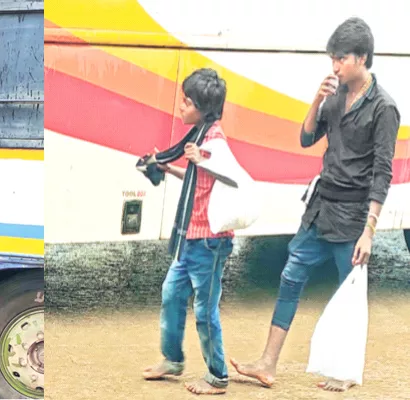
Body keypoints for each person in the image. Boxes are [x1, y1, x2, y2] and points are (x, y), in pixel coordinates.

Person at [231, 17, 400, 392]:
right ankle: (267, 363)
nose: (335, 66)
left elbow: (382, 173)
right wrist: (317, 99)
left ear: (362, 58)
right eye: (332, 59)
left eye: (341, 59)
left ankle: (346, 373)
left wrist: (369, 231)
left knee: (349, 293)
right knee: (291, 276)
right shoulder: (335, 96)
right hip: (321, 207)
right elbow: (306, 138)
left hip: (354, 216)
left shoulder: (384, 108)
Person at [141, 68, 235, 395]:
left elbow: (232, 179)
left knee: (205, 312)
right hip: (191, 238)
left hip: (209, 243)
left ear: (203, 109)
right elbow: (201, 185)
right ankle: (172, 359)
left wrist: (203, 161)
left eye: (187, 102)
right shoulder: (199, 137)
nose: (181, 107)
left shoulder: (214, 140)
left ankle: (218, 377)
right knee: (171, 294)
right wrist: (171, 168)